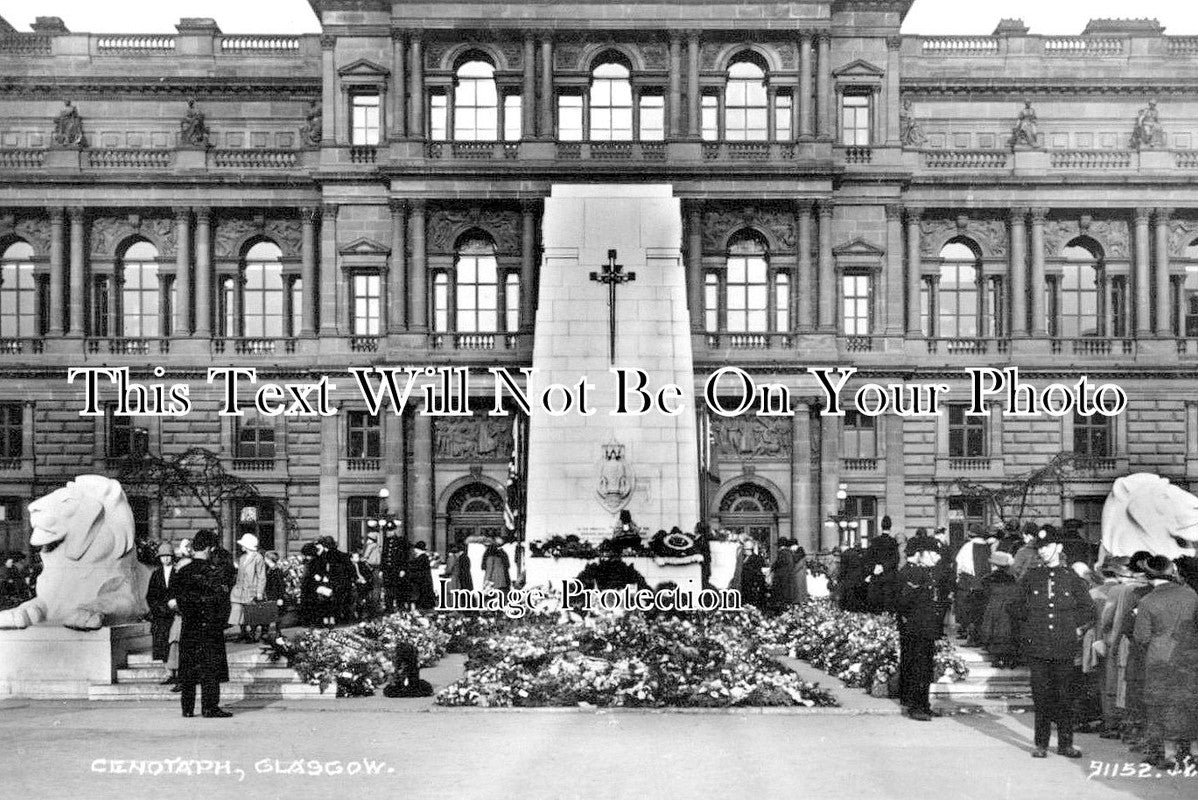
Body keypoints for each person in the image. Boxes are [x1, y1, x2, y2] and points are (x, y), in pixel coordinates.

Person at [1013, 525, 1097, 759]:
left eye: (1047, 546)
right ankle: (1041, 744)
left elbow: (1088, 608)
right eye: (1039, 547)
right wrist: (1031, 625)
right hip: (1038, 646)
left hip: (1063, 646)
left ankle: (1065, 744)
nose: (1042, 551)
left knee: (1064, 696)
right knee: (1041, 696)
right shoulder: (1031, 577)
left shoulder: (1071, 578)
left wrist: (1073, 627)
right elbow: (1015, 606)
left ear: (1058, 547)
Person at [1133, 555, 1198, 769]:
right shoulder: (1191, 595)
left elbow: (1141, 637)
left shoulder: (1147, 601)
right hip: (1190, 656)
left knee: (1160, 705)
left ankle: (1167, 754)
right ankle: (1195, 753)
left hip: (1158, 659)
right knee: (1189, 703)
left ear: (1149, 576)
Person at [169, 528, 233, 718]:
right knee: (210, 669)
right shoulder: (213, 572)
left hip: (189, 625)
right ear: (209, 549)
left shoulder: (182, 572)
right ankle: (209, 707)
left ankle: (187, 708)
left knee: (188, 668)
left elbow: (175, 600)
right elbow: (222, 602)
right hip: (210, 627)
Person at [895, 535, 950, 721]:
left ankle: (923, 704)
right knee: (918, 668)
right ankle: (916, 706)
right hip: (916, 628)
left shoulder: (928, 572)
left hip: (926, 628)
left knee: (925, 668)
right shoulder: (914, 573)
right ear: (921, 554)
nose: (937, 557)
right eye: (933, 553)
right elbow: (903, 602)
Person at [978, 551, 1022, 668]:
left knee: (995, 631)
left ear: (994, 565)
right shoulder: (1013, 578)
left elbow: (985, 594)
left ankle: (998, 658)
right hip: (1009, 608)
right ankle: (1009, 658)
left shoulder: (988, 579)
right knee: (1008, 631)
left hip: (994, 608)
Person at [954, 524, 995, 644]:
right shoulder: (987, 547)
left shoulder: (967, 546)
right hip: (986, 584)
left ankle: (971, 637)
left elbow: (960, 565)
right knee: (981, 612)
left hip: (971, 583)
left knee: (970, 612)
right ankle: (981, 637)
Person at [145, 542, 178, 681]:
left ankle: (177, 671)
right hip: (161, 615)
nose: (165, 558)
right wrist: (159, 608)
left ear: (172, 557)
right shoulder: (156, 574)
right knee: (162, 643)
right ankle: (168, 672)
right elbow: (150, 595)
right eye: (163, 556)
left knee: (175, 643)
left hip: (175, 613)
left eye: (168, 556)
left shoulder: (178, 572)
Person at [164, 539, 192, 692]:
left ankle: (183, 678)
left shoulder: (183, 573)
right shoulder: (178, 573)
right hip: (179, 615)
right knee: (176, 644)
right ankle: (178, 675)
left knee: (183, 646)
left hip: (186, 616)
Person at [228, 532, 267, 643]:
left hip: (251, 590)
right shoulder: (242, 558)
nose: (241, 546)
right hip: (240, 589)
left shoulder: (258, 557)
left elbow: (261, 576)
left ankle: (253, 634)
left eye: (243, 544)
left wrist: (260, 592)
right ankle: (243, 633)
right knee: (239, 611)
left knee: (251, 613)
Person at [575, 540, 649, 594]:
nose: (606, 557)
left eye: (611, 555)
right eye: (604, 554)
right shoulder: (594, 569)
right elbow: (576, 587)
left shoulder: (627, 570)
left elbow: (644, 589)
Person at [864, 522, 900, 613]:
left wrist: (874, 567)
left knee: (875, 604)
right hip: (889, 578)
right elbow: (895, 559)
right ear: (890, 528)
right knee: (888, 605)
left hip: (876, 577)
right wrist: (884, 567)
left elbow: (867, 559)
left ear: (881, 527)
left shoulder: (875, 541)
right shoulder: (893, 542)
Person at [380, 527, 412, 613]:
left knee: (398, 589)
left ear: (394, 531)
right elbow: (384, 556)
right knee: (388, 590)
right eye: (387, 530)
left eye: (390, 530)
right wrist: (382, 569)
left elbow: (404, 556)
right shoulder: (386, 541)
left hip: (397, 570)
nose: (388, 532)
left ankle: (400, 607)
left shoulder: (400, 541)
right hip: (388, 570)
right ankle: (389, 608)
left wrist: (403, 569)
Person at [260, 551, 286, 642]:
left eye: (266, 558)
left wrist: (280, 598)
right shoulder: (268, 569)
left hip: (275, 596)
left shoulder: (277, 571)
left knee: (276, 616)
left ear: (269, 559)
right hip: (269, 596)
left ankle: (277, 634)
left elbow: (281, 585)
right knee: (267, 615)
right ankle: (265, 634)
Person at [838, 540, 867, 612]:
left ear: (842, 547)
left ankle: (849, 610)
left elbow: (843, 569)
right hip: (859, 577)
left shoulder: (845, 554)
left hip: (849, 578)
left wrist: (839, 578)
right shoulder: (856, 553)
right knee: (857, 594)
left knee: (849, 595)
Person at [770, 537, 798, 612]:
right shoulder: (789, 552)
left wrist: (771, 569)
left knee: (781, 597)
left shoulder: (783, 553)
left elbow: (778, 564)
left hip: (782, 579)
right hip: (787, 578)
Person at [738, 540, 768, 609]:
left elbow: (759, 573)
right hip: (745, 587)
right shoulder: (744, 558)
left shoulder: (757, 558)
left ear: (749, 549)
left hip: (752, 588)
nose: (743, 551)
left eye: (744, 549)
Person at [409, 541, 437, 611]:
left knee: (423, 596)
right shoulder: (423, 557)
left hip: (422, 581)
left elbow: (417, 568)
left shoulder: (422, 557)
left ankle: (424, 609)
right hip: (424, 580)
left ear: (417, 549)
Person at [482, 537, 512, 601]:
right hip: (504, 582)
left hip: (494, 582)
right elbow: (508, 566)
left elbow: (489, 570)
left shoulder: (490, 556)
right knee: (503, 599)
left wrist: (486, 581)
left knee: (494, 600)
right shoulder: (502, 554)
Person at [349, 551, 375, 620]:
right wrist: (357, 580)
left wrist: (365, 580)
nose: (357, 558)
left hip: (364, 584)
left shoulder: (362, 564)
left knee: (366, 596)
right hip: (356, 584)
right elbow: (350, 576)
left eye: (358, 557)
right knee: (358, 596)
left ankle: (367, 614)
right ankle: (358, 614)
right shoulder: (349, 566)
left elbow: (368, 573)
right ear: (351, 559)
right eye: (355, 557)